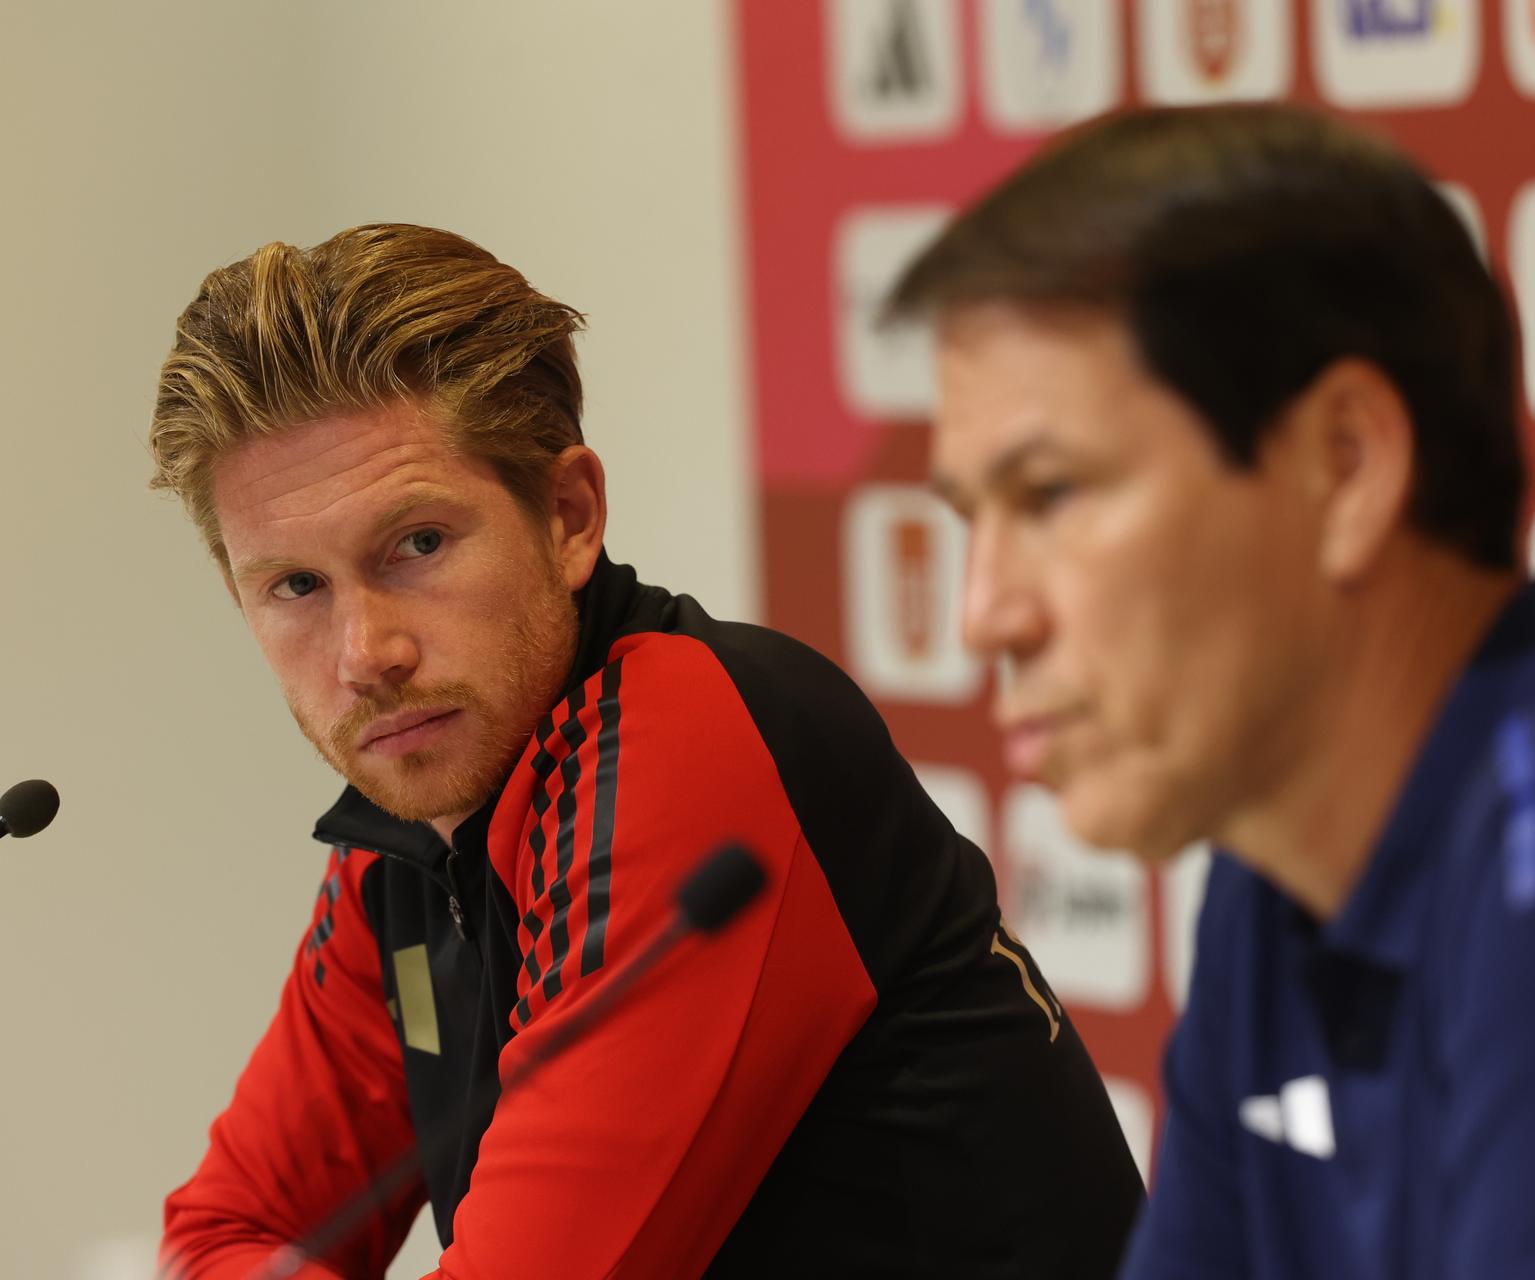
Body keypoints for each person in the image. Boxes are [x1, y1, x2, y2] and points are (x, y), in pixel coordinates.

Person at [888, 104, 1535, 1277]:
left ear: (1347, 465)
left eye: (1053, 494)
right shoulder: (1278, 871)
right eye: (972, 520)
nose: (986, 615)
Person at [150, 224, 1142, 1279]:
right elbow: (219, 1235)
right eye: (295, 586)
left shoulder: (685, 738)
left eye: (419, 545)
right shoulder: (407, 825)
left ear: (569, 515)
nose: (366, 656)